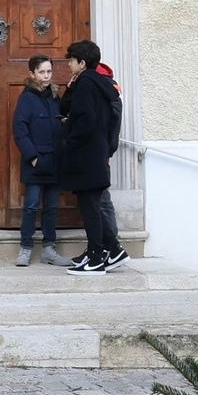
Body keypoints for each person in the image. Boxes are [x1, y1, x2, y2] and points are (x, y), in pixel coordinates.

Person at [55, 38, 125, 272]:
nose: (68, 65)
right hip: (96, 153)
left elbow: (85, 119)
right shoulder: (95, 82)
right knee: (92, 205)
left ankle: (96, 258)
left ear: (82, 62)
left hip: (86, 155)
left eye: (71, 61)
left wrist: (69, 142)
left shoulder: (86, 84)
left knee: (90, 208)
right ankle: (113, 251)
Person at [9, 53, 66, 265]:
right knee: (31, 206)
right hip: (36, 161)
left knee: (52, 206)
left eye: (49, 71)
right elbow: (20, 130)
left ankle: (49, 249)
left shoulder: (55, 96)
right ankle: (25, 248)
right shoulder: (26, 98)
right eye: (41, 72)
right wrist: (32, 157)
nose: (46, 76)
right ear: (32, 73)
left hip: (54, 160)